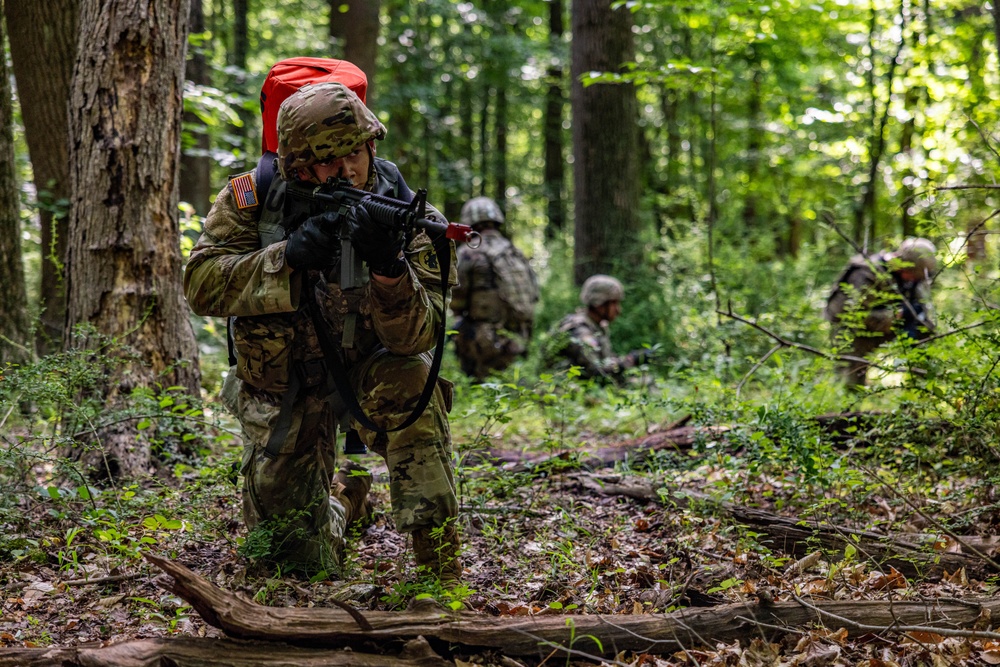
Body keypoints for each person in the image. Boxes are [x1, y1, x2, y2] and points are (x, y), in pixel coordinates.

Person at [183, 82, 462, 584]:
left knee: (415, 381)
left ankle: (439, 572)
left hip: (372, 373)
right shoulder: (253, 200)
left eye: (354, 152)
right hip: (287, 389)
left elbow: (417, 339)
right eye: (326, 162)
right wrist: (284, 258)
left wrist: (390, 270)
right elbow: (200, 286)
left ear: (371, 143)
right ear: (296, 165)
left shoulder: (406, 213)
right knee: (293, 562)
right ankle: (344, 503)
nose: (345, 170)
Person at [824, 237, 937, 388]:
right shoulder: (867, 273)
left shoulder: (913, 278)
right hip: (854, 331)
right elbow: (851, 315)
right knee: (849, 379)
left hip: (887, 327)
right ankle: (848, 407)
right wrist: (897, 315)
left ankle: (920, 391)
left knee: (925, 332)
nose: (913, 279)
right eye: (911, 273)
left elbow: (922, 308)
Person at [450, 196, 540, 381]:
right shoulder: (513, 251)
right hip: (518, 337)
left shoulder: (469, 252)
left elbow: (457, 298)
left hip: (485, 341)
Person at [541, 274, 649, 383]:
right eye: (614, 303)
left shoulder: (596, 326)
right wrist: (629, 361)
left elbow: (606, 361)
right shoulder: (580, 330)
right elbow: (596, 371)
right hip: (567, 389)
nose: (618, 310)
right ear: (599, 303)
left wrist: (631, 358)